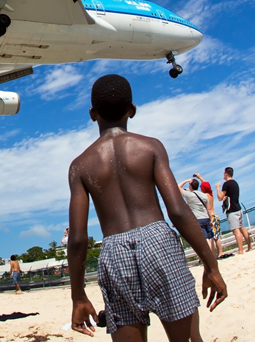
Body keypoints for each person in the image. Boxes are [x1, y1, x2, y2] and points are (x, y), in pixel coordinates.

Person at [67, 74, 227, 340]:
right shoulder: (150, 147)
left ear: (92, 113)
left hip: (114, 251)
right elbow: (176, 210)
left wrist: (78, 295)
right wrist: (211, 266)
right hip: (158, 242)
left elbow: (78, 238)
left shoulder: (80, 166)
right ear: (132, 110)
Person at [216, 167, 252, 255]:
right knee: (242, 228)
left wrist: (218, 188)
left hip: (231, 210)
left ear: (226, 174)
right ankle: (249, 246)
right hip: (238, 208)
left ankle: (240, 250)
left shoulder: (226, 184)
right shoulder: (235, 183)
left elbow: (220, 197)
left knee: (236, 231)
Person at [193, 174, 224, 257]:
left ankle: (215, 254)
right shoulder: (210, 194)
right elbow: (206, 185)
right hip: (215, 215)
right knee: (217, 236)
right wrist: (200, 177)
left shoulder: (204, 196)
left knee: (211, 238)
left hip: (209, 217)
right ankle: (220, 252)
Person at [178, 179, 213, 248]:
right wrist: (211, 219)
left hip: (198, 219)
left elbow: (178, 187)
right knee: (211, 238)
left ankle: (210, 255)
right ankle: (214, 255)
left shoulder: (189, 195)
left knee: (205, 239)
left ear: (191, 186)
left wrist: (187, 180)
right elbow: (208, 209)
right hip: (206, 217)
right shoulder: (204, 195)